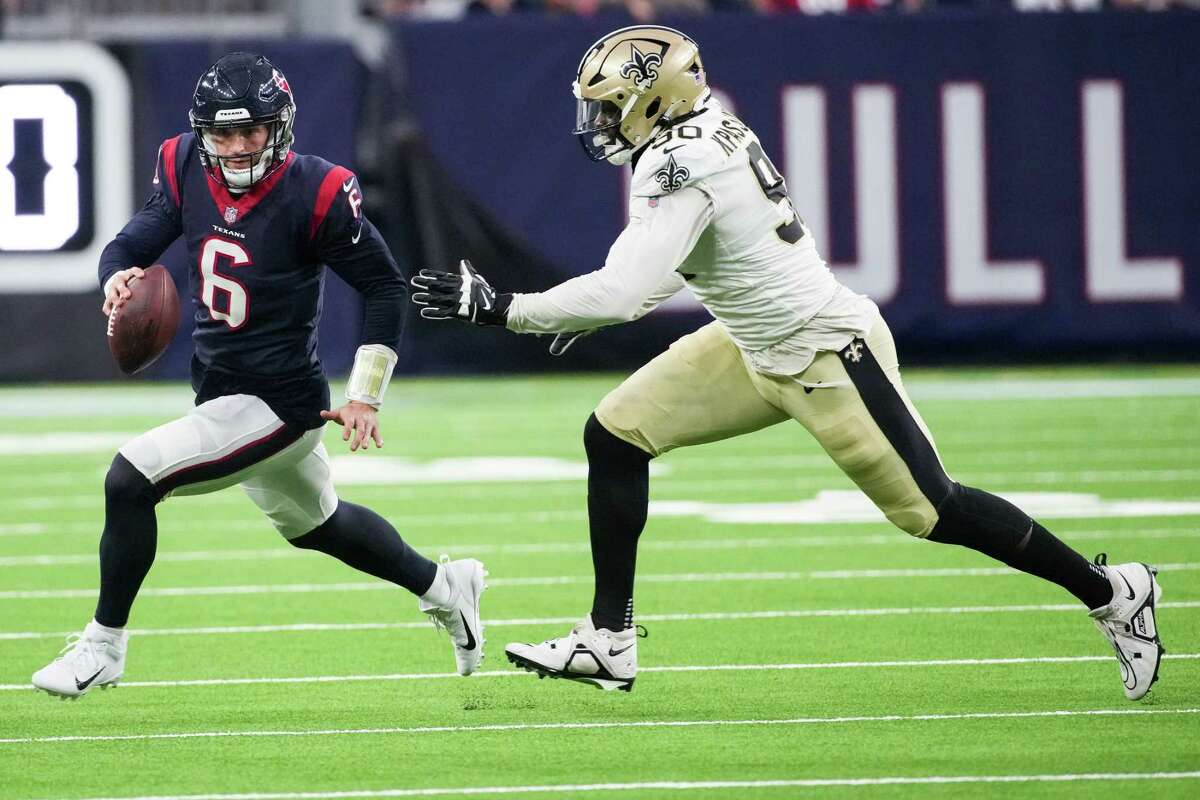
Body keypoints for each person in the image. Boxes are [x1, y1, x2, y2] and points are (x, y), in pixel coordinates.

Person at [410, 26, 1163, 697]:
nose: (600, 123)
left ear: (656, 100)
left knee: (934, 511)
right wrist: (578, 306)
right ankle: (608, 641)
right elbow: (688, 259)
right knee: (615, 433)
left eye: (610, 107)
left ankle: (1110, 590)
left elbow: (627, 290)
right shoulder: (704, 132)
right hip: (751, 342)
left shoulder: (678, 162)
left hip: (825, 351)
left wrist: (502, 306)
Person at [32, 53, 485, 699]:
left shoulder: (317, 189)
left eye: (252, 132)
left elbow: (384, 288)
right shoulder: (184, 161)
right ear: (203, 133)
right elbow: (130, 244)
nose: (239, 147)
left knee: (130, 479)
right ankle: (447, 588)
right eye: (223, 134)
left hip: (281, 402)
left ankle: (103, 646)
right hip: (221, 388)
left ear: (281, 127)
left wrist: (365, 395)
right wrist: (117, 279)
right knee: (318, 526)